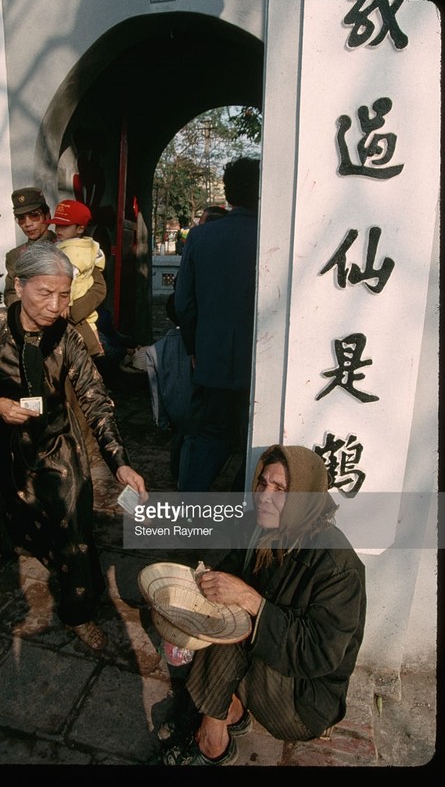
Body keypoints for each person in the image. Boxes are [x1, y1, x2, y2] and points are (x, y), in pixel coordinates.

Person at [0, 241, 147, 652]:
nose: (55, 306)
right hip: (3, 448)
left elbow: (96, 399)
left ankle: (78, 611)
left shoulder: (68, 338)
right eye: (44, 293)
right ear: (19, 285)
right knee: (15, 515)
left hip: (56, 443)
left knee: (76, 527)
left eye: (64, 295)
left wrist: (119, 463)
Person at [162, 444, 366, 766]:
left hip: (303, 700)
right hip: (272, 672)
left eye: (280, 489)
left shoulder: (337, 566)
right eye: (262, 483)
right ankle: (228, 711)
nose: (264, 496)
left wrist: (249, 599)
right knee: (220, 613)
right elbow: (228, 567)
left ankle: (211, 742)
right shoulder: (264, 527)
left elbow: (318, 654)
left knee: (236, 629)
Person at [174, 157, 260, 492]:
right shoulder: (276, 232)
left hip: (215, 354)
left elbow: (184, 303)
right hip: (265, 357)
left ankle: (189, 504)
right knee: (260, 434)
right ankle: (246, 507)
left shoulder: (201, 236)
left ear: (228, 192)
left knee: (212, 433)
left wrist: (194, 347)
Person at [48, 198, 107, 359]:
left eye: (64, 226)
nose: (59, 229)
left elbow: (69, 277)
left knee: (84, 336)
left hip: (75, 299)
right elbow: (99, 259)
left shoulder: (72, 251)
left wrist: (67, 300)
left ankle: (97, 355)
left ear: (80, 228)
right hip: (82, 299)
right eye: (57, 225)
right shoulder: (87, 245)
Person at [144, 293, 193, 481]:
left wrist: (160, 419)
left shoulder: (155, 349)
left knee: (179, 445)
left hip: (174, 411)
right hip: (197, 411)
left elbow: (154, 391)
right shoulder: (198, 345)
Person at [3, 187, 56, 306]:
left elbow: (96, 289)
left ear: (47, 216)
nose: (27, 224)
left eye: (34, 215)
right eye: (21, 218)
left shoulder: (67, 247)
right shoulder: (14, 256)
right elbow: (11, 293)